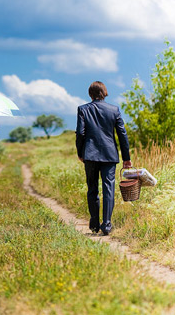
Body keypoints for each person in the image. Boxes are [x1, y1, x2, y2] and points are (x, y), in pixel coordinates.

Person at [76, 81, 132, 235]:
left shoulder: (83, 109)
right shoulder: (114, 110)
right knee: (109, 189)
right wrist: (126, 158)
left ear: (90, 94)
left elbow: (80, 133)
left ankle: (94, 223)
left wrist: (80, 153)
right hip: (109, 155)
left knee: (92, 188)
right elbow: (122, 135)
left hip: (90, 154)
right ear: (104, 93)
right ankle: (106, 225)